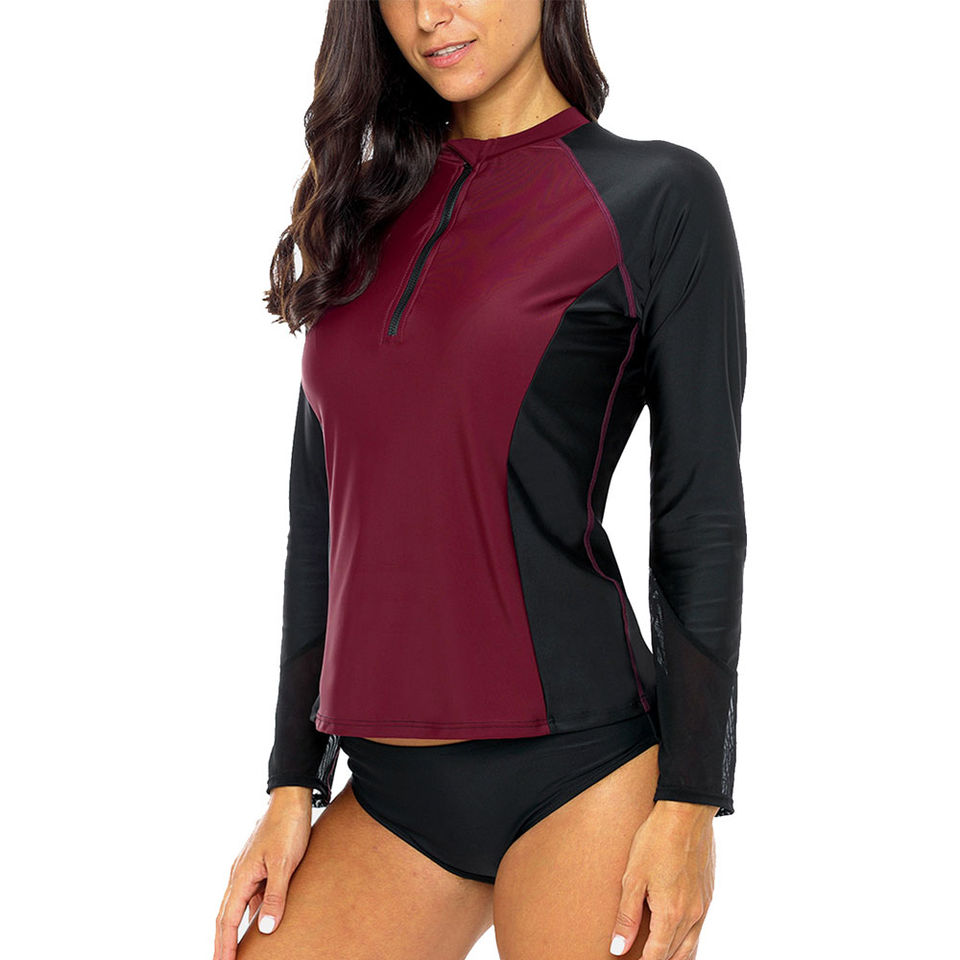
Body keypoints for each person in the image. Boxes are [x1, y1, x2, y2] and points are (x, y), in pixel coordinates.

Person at [213, 1, 747, 958]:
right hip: (390, 790)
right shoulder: (362, 210)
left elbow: (698, 516)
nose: (432, 14)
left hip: (583, 768)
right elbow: (319, 525)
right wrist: (293, 780)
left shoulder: (656, 194)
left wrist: (691, 802)